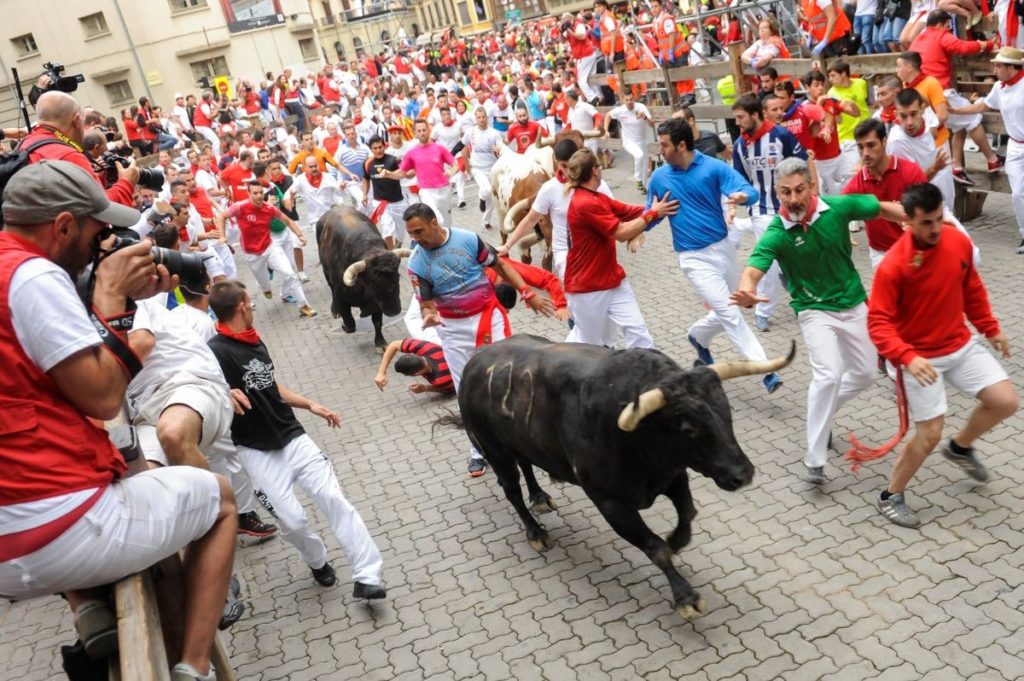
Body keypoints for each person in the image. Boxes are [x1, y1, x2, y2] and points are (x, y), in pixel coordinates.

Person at [0, 160, 236, 681]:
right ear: (63, 226)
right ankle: (193, 668)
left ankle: (88, 606)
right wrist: (110, 298)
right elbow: (103, 397)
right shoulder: (32, 274)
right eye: (97, 229)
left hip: (10, 533)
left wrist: (124, 304)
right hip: (54, 526)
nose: (101, 241)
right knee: (218, 498)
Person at [731, 158, 909, 485]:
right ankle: (814, 460)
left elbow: (881, 208)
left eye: (799, 189)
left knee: (868, 373)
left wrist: (918, 219)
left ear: (811, 187)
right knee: (828, 374)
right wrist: (746, 292)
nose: (794, 198)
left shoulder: (837, 208)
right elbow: (753, 268)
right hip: (813, 309)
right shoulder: (776, 232)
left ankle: (822, 415)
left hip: (854, 303)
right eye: (786, 192)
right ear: (777, 193)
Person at [207, 280, 386, 597]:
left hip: (293, 437)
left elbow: (270, 386)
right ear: (241, 306)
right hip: (256, 452)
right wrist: (219, 392)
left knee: (335, 501)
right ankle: (316, 560)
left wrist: (310, 405)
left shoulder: (254, 341)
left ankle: (368, 575)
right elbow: (199, 387)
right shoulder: (214, 353)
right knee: (294, 521)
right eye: (250, 302)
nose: (252, 307)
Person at [868, 183, 1018, 528]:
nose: (936, 229)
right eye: (926, 223)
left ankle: (960, 448)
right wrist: (906, 356)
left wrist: (990, 327)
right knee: (929, 434)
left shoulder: (956, 240)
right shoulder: (894, 265)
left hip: (959, 345)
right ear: (907, 221)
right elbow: (878, 323)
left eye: (938, 219)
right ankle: (890, 495)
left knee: (1005, 400)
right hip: (919, 360)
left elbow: (971, 288)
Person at [404, 203, 554, 476]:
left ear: (434, 223)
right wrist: (429, 315)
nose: (415, 238)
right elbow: (426, 303)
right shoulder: (416, 263)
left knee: (509, 375)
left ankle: (527, 434)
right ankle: (478, 449)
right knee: (466, 389)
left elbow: (501, 266)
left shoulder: (469, 239)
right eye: (411, 234)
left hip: (487, 317)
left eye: (419, 231)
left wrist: (526, 292)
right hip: (452, 328)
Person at [646, 118, 782, 394]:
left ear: (681, 145)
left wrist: (742, 197)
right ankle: (764, 369)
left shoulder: (713, 167)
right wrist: (652, 215)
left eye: (664, 145)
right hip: (693, 258)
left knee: (726, 309)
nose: (660, 150)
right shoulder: (659, 178)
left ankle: (697, 337)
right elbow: (648, 217)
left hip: (723, 250)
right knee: (731, 313)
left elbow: (751, 192)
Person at [563, 148, 676, 348]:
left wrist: (660, 206)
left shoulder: (598, 197)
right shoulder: (584, 202)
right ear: (596, 171)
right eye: (599, 166)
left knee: (638, 333)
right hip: (587, 288)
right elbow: (621, 232)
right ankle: (554, 371)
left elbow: (627, 211)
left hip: (612, 281)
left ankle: (645, 373)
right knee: (585, 344)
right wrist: (652, 215)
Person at [730, 94, 808, 332]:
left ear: (755, 115)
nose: (737, 122)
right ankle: (763, 311)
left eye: (741, 117)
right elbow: (741, 179)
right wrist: (740, 199)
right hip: (761, 211)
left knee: (795, 259)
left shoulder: (781, 135)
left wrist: (809, 194)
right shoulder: (739, 146)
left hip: (790, 208)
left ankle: (800, 299)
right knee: (770, 265)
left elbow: (802, 163)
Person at [948, 47, 1024, 252]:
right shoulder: (1000, 87)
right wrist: (956, 110)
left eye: (999, 65)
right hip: (1016, 146)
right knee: (1017, 193)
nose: (995, 68)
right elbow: (983, 106)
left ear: (1012, 68)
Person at [214, 181, 316, 318]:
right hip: (252, 254)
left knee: (290, 274)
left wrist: (300, 235)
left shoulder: (270, 209)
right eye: (255, 193)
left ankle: (304, 306)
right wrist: (222, 236)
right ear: (248, 194)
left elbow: (288, 221)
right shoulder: (239, 207)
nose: (259, 196)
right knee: (264, 283)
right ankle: (265, 288)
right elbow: (221, 217)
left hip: (270, 247)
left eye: (261, 192)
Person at [22, 91, 138, 207]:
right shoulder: (69, 156)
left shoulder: (25, 144)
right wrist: (126, 182)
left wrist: (98, 175)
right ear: (77, 120)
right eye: (83, 121)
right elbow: (101, 208)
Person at [887, 88, 955, 209]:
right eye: (903, 116)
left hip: (937, 189)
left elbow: (934, 133)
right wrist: (935, 168)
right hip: (919, 203)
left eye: (913, 114)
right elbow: (911, 185)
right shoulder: (897, 141)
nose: (909, 122)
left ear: (922, 109)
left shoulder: (926, 118)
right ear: (896, 114)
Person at [381, 120, 457, 226]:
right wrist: (388, 174)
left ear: (429, 131)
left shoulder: (439, 148)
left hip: (443, 189)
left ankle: (447, 238)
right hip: (426, 191)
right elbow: (401, 173)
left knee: (447, 222)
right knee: (437, 219)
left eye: (424, 130)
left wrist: (451, 172)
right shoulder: (412, 153)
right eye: (419, 131)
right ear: (415, 133)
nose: (422, 133)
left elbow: (455, 164)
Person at [461, 108, 505, 231]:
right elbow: (462, 145)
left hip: (492, 168)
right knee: (486, 189)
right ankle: (481, 198)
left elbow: (501, 148)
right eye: (479, 117)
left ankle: (486, 221)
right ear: (476, 119)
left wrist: (499, 150)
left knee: (492, 199)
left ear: (487, 117)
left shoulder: (495, 133)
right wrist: (465, 165)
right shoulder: (470, 132)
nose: (481, 119)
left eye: (483, 117)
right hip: (477, 168)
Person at [604, 91, 655, 192]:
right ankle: (638, 179)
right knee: (639, 155)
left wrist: (644, 117)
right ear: (623, 100)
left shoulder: (641, 107)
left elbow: (652, 124)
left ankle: (643, 187)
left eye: (631, 99)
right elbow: (608, 115)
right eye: (627, 100)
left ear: (634, 98)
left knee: (644, 168)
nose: (629, 102)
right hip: (628, 141)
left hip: (642, 141)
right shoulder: (620, 110)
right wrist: (606, 131)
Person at [364, 135, 409, 248]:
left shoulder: (394, 160)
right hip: (381, 203)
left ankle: (397, 245)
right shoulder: (367, 163)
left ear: (385, 146)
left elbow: (404, 173)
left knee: (400, 233)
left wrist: (390, 174)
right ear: (371, 149)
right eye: (375, 148)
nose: (378, 150)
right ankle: (391, 253)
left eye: (380, 147)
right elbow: (366, 179)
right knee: (387, 229)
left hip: (397, 202)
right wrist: (364, 194)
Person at [374, 337, 454, 395]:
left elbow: (449, 390)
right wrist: (381, 372)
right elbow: (394, 345)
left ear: (416, 374)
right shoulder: (429, 349)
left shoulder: (440, 380)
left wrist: (426, 388)